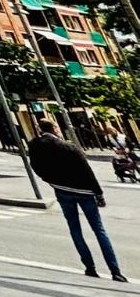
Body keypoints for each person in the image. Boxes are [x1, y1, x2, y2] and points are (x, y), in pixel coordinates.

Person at [28, 118, 127, 282]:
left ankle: (90, 267)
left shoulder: (35, 146)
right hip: (84, 191)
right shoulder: (68, 147)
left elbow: (35, 167)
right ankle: (115, 271)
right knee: (98, 229)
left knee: (75, 229)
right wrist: (99, 193)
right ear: (54, 128)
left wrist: (52, 181)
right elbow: (87, 171)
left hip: (62, 191)